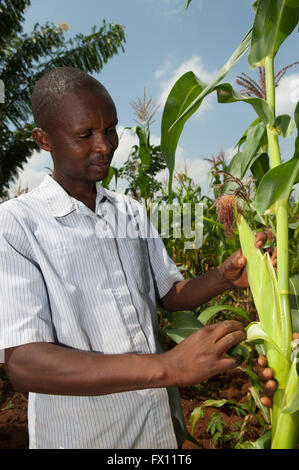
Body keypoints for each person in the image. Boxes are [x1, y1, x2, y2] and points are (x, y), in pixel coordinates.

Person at [0, 67, 274, 449]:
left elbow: (169, 293)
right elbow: (25, 363)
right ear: (44, 140)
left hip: (158, 428)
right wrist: (170, 366)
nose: (105, 145)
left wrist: (224, 275)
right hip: (89, 436)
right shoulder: (16, 224)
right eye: (85, 135)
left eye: (110, 129)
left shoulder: (129, 211)